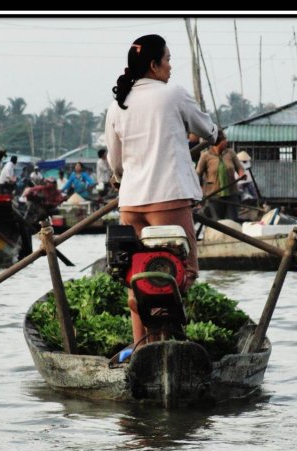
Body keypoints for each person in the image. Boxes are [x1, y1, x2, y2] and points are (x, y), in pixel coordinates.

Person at [105, 34, 220, 346]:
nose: (170, 67)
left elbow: (115, 163)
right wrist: (211, 133)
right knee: (183, 273)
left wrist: (122, 180)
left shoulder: (118, 105)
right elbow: (208, 130)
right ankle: (168, 340)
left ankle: (142, 344)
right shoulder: (173, 94)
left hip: (130, 202)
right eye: (167, 60)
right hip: (167, 198)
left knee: (136, 277)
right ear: (154, 65)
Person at [196, 138, 245, 221]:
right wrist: (199, 189)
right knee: (217, 222)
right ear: (217, 142)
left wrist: (241, 174)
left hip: (231, 193)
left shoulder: (230, 153)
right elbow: (197, 174)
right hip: (214, 195)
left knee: (232, 220)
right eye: (224, 140)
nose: (226, 141)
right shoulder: (206, 156)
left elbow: (239, 167)